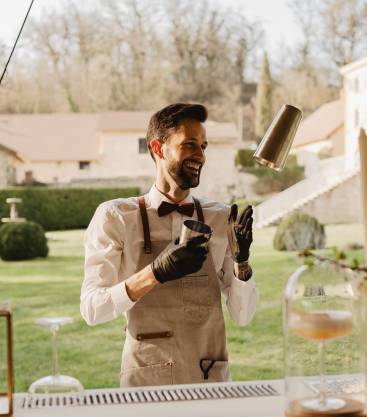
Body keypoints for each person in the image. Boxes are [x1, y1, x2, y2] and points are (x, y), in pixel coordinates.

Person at [80, 103, 258, 387]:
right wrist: (155, 273)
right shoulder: (115, 217)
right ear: (158, 148)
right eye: (189, 144)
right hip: (146, 381)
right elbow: (92, 309)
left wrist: (242, 263)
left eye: (203, 146)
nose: (200, 155)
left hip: (210, 379)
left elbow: (243, 315)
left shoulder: (221, 217)